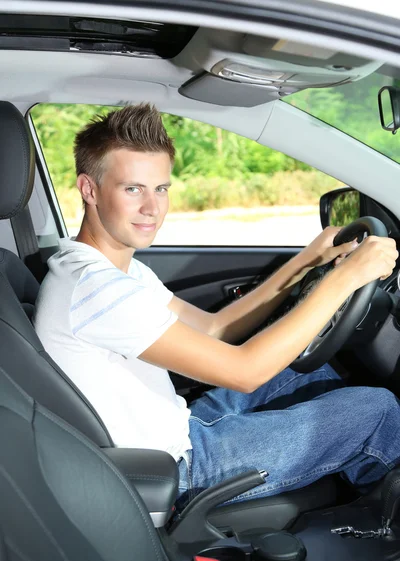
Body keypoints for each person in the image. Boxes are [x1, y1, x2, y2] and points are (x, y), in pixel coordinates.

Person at [34, 103, 400, 508]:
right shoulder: (97, 289)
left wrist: (304, 264)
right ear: (89, 189)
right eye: (132, 189)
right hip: (176, 468)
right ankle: (384, 527)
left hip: (178, 426)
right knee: (377, 409)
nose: (153, 208)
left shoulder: (114, 271)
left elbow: (214, 329)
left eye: (161, 189)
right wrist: (344, 278)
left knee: (313, 374)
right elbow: (244, 372)